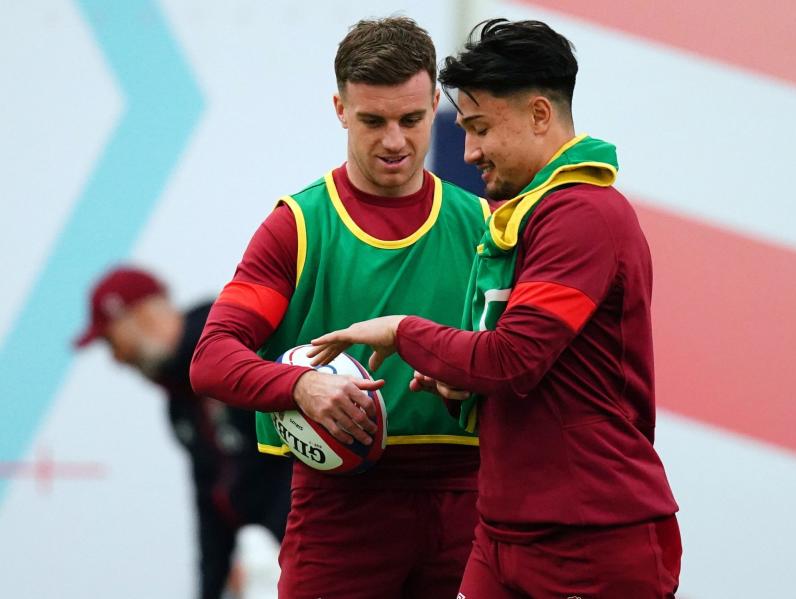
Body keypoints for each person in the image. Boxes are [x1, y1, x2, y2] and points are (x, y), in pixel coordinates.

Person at [311, 18, 682, 598]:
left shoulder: (583, 215)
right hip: (504, 530)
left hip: (591, 536)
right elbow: (524, 373)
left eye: (480, 129)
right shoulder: (529, 214)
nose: (469, 151)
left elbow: (512, 360)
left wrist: (401, 330)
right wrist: (464, 388)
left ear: (540, 115)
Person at [189, 17, 488, 599]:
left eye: (412, 119)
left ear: (435, 105)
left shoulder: (482, 225)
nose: (395, 141)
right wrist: (298, 387)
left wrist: (473, 384)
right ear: (340, 109)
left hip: (468, 500)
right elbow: (211, 359)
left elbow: (524, 361)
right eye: (373, 121)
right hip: (338, 506)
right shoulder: (298, 228)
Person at [74, 266, 292, 599]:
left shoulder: (237, 342)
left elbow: (299, 453)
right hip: (297, 557)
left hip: (331, 543)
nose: (116, 359)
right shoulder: (180, 404)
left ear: (142, 317)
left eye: (111, 340)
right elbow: (212, 507)